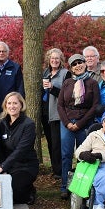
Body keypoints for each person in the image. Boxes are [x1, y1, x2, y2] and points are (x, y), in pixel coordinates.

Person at [57, 54, 100, 199]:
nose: (78, 65)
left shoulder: (92, 83)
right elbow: (60, 105)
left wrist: (80, 124)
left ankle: (82, 185)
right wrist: (67, 123)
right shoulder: (67, 82)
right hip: (67, 123)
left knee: (84, 156)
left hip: (85, 123)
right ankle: (65, 186)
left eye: (80, 62)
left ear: (84, 63)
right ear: (71, 68)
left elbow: (95, 106)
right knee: (66, 155)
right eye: (74, 64)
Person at [0, 92, 39, 205]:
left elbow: (21, 151)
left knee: (13, 191)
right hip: (8, 166)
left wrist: (1, 168)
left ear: (21, 105)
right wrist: (2, 167)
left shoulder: (28, 124)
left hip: (25, 166)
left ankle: (30, 192)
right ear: (5, 106)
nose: (12, 106)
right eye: (9, 103)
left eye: (15, 103)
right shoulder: (2, 123)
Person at [41, 48, 71, 179]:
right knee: (50, 143)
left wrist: (52, 88)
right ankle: (55, 169)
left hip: (58, 114)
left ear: (61, 60)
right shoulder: (46, 72)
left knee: (58, 144)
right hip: (45, 112)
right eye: (52, 58)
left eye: (57, 58)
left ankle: (60, 171)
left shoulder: (66, 74)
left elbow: (67, 95)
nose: (54, 60)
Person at [0, 41, 25, 114]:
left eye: (4, 51)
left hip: (10, 108)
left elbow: (20, 88)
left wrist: (19, 104)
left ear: (8, 53)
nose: (1, 53)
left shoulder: (15, 68)